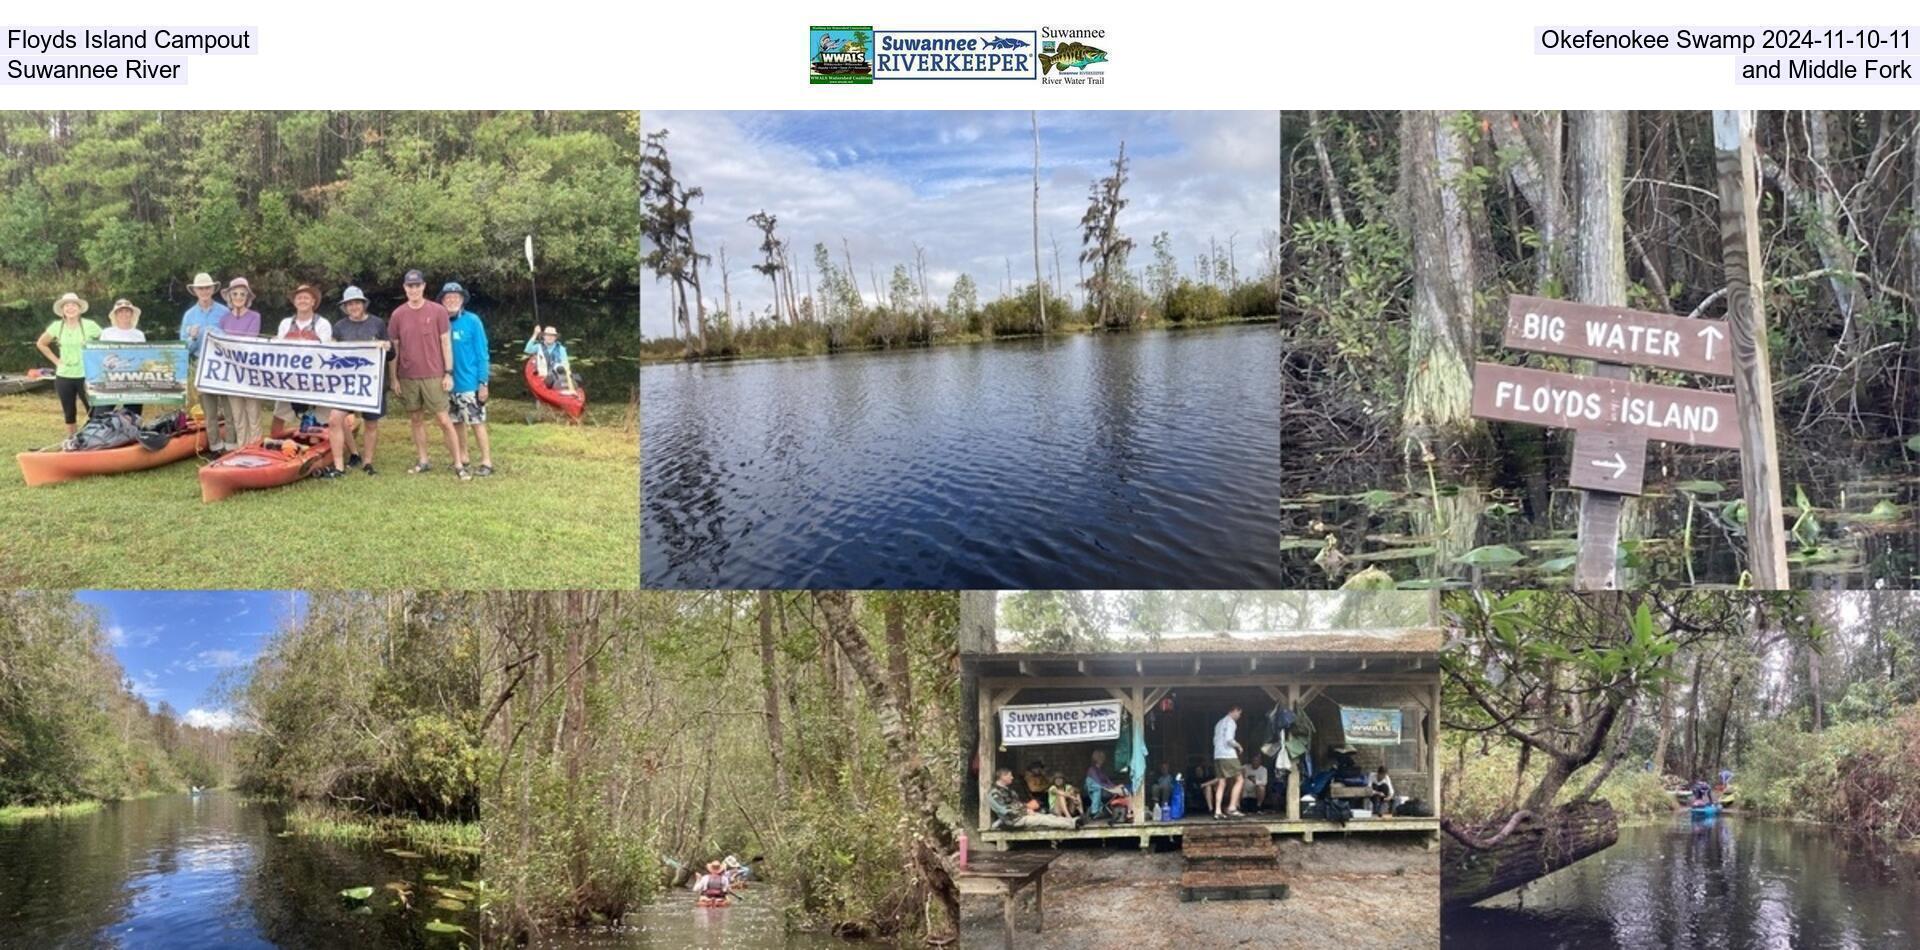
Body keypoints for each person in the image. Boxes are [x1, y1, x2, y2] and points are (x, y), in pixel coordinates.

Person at [387, 269, 466, 479]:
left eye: (417, 285)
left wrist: (448, 373)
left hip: (434, 374)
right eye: (409, 286)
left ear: (423, 286)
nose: (413, 289)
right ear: (405, 288)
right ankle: (423, 460)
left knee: (443, 419)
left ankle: (458, 463)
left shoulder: (438, 311)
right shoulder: (397, 314)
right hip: (408, 375)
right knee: (416, 418)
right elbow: (394, 349)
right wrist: (394, 378)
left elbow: (445, 343)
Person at [325, 286, 390, 477]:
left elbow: (390, 352)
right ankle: (339, 466)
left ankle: (368, 462)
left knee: (371, 423)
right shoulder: (339, 326)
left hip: (372, 383)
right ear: (345, 307)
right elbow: (332, 353)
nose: (353, 306)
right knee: (335, 419)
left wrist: (387, 346)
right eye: (349, 304)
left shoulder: (377, 324)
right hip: (346, 384)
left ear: (363, 304)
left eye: (356, 303)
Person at [443, 282, 494, 476]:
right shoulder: (441, 322)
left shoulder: (473, 321)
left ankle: (486, 461)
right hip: (448, 383)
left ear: (462, 300)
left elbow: (482, 353)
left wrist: (483, 382)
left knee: (476, 422)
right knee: (456, 422)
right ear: (443, 301)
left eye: (456, 297)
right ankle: (463, 457)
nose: (452, 300)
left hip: (470, 383)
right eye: (448, 298)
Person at [270, 284, 333, 436]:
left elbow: (325, 352)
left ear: (313, 301)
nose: (302, 300)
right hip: (288, 378)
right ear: (294, 302)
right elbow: (277, 350)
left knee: (325, 417)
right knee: (278, 417)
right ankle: (277, 442)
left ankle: (323, 442)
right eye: (299, 298)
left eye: (306, 297)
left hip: (314, 379)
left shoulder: (323, 324)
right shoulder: (285, 323)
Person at [37, 292, 102, 436]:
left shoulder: (90, 325)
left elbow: (106, 343)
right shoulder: (56, 326)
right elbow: (41, 344)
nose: (70, 308)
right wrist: (56, 361)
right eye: (67, 305)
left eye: (73, 305)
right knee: (69, 412)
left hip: (87, 375)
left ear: (79, 308)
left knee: (93, 410)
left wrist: (98, 361)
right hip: (64, 376)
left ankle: (95, 440)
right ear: (62, 310)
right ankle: (72, 440)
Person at [212, 278, 264, 452]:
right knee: (237, 415)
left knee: (253, 413)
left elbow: (249, 340)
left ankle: (255, 448)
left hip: (249, 372)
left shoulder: (255, 316)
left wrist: (229, 343)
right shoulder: (224, 319)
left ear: (247, 297)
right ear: (229, 296)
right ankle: (242, 449)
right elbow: (219, 343)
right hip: (231, 374)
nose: (239, 297)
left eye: (242, 294)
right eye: (235, 294)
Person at [178, 272, 229, 444]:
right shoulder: (189, 315)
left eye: (207, 287)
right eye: (201, 288)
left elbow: (233, 339)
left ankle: (231, 444)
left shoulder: (224, 312)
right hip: (201, 364)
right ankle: (215, 445)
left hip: (223, 363)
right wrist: (192, 337)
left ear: (212, 289)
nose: (204, 291)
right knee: (209, 409)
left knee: (228, 407)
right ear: (195, 291)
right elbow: (184, 348)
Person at [98, 299, 147, 418]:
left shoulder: (139, 334)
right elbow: (99, 355)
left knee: (133, 415)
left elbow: (143, 357)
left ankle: (131, 435)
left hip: (133, 380)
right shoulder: (107, 333)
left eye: (127, 311)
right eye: (120, 311)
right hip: (111, 379)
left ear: (132, 314)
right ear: (115, 315)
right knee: (100, 413)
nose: (124, 314)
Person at [989, 767, 1077, 830]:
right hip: (1014, 820)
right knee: (1043, 819)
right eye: (1010, 775)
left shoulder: (1009, 791)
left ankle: (1072, 821)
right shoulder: (994, 793)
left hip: (1021, 816)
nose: (1012, 777)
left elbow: (1017, 804)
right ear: (1003, 777)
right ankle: (1073, 824)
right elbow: (1004, 810)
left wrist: (1027, 808)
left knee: (1048, 816)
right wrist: (1025, 810)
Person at [1210, 705, 1245, 819]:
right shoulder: (1231, 722)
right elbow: (1229, 739)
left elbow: (1214, 741)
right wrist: (1239, 746)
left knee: (1221, 783)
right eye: (1239, 713)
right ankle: (1232, 807)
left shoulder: (1219, 723)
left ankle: (1218, 811)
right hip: (1228, 755)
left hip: (1218, 755)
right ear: (1234, 710)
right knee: (1240, 779)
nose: (1239, 716)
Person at [524, 324, 574, 391]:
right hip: (542, 376)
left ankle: (564, 387)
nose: (550, 337)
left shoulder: (561, 349)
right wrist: (535, 334)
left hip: (557, 376)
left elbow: (566, 364)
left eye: (552, 336)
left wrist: (568, 376)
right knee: (549, 380)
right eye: (548, 335)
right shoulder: (539, 346)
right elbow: (527, 350)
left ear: (555, 338)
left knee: (563, 372)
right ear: (544, 336)